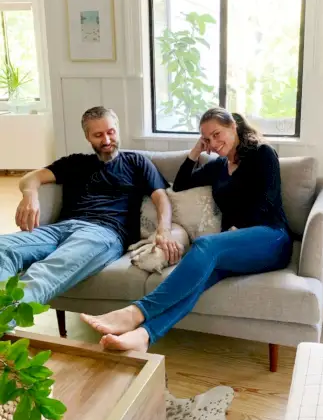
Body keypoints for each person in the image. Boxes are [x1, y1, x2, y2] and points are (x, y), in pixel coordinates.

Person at [82, 107, 293, 352]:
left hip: (271, 238)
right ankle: (144, 336)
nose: (213, 143)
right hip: (234, 248)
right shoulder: (219, 166)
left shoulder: (262, 154)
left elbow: (267, 201)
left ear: (233, 126)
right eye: (207, 139)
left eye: (217, 134)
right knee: (198, 282)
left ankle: (136, 312)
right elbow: (181, 183)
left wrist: (231, 234)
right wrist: (196, 151)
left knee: (205, 244)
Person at [0, 106, 181, 304]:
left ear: (117, 129)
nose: (106, 140)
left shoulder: (136, 162)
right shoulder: (75, 162)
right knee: (3, 248)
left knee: (46, 272)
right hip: (59, 230)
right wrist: (30, 195)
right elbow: (31, 178)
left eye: (110, 132)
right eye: (98, 135)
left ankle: (5, 318)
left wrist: (164, 229)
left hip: (103, 233)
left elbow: (161, 198)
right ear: (87, 137)